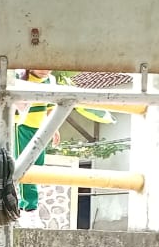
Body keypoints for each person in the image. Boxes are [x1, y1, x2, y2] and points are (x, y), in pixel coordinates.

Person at [13, 68, 112, 223]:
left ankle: (28, 207)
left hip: (41, 130)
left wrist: (54, 128)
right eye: (40, 65)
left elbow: (51, 107)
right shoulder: (19, 78)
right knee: (25, 167)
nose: (45, 70)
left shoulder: (50, 81)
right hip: (22, 127)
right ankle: (28, 207)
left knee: (38, 166)